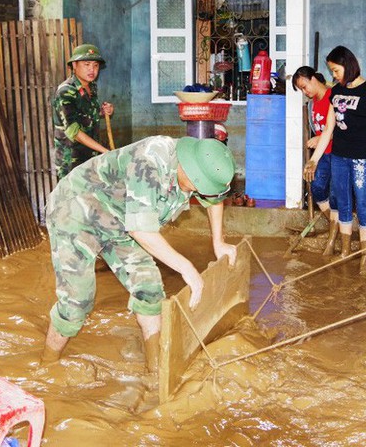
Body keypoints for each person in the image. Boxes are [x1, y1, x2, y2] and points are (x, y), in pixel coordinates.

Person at [41, 136, 237, 373]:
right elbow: (141, 230)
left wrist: (219, 242)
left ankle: (155, 371)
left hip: (121, 219)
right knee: (76, 303)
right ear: (188, 168)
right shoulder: (149, 161)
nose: (198, 193)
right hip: (75, 212)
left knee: (150, 290)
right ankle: (46, 367)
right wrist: (188, 269)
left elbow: (214, 199)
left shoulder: (200, 164)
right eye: (197, 186)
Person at [303, 46, 366, 276]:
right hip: (339, 158)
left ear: (348, 64)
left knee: (362, 205)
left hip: (362, 159)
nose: (334, 76)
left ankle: (365, 260)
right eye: (332, 72)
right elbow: (329, 129)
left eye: (336, 70)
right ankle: (344, 251)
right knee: (342, 203)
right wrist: (314, 160)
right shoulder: (336, 91)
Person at [292, 66, 339, 255]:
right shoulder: (312, 103)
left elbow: (341, 126)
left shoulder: (333, 96)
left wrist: (320, 138)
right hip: (322, 155)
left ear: (313, 78)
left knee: (336, 194)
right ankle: (336, 223)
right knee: (317, 187)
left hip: (337, 153)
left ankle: (334, 235)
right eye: (301, 89)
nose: (305, 91)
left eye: (305, 86)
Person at [53, 43, 114, 179]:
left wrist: (103, 112)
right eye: (87, 64)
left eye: (95, 65)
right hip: (72, 163)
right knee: (73, 200)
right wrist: (104, 151)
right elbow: (74, 132)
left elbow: (85, 115)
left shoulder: (91, 87)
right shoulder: (66, 91)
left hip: (90, 158)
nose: (92, 69)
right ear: (74, 65)